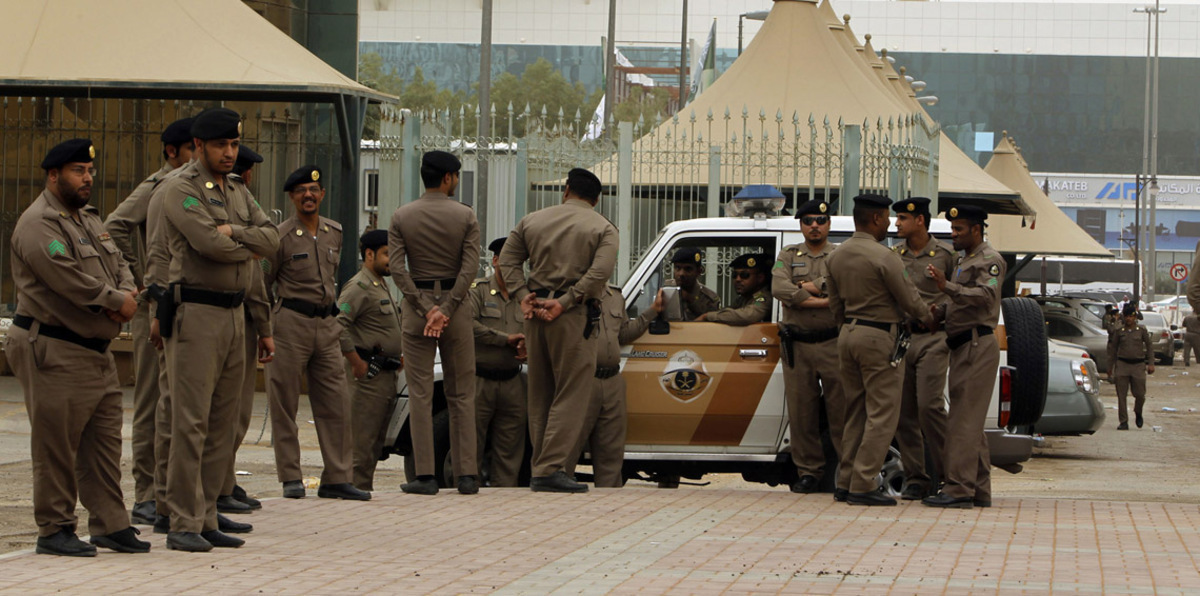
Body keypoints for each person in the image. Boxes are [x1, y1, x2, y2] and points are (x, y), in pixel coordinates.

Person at [7, 138, 149, 556]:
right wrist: (114, 301)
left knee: (103, 444)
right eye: (77, 171)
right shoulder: (38, 224)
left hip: (94, 350)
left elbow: (118, 262)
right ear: (53, 175)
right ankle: (54, 529)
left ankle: (109, 524)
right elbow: (65, 277)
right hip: (53, 346)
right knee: (57, 445)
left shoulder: (87, 218)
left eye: (89, 170)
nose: (87, 178)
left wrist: (127, 293)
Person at [158, 107, 279, 551]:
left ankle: (207, 514)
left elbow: (274, 241)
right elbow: (210, 244)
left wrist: (237, 233)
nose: (230, 153)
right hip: (197, 313)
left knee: (221, 423)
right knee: (190, 422)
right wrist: (246, 242)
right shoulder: (180, 189)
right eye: (221, 146)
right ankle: (183, 522)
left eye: (233, 145)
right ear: (201, 146)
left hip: (234, 314)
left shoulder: (236, 190)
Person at [498, 167, 618, 493]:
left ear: (566, 191)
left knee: (540, 396)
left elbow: (507, 262)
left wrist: (523, 297)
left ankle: (544, 468)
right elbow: (599, 274)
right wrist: (565, 302)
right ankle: (551, 470)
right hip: (572, 316)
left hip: (535, 312)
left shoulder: (531, 220)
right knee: (571, 394)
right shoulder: (603, 228)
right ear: (596, 199)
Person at [102, 116, 194, 526]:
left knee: (178, 403)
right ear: (173, 152)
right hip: (152, 306)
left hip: (185, 304)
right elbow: (115, 225)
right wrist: (138, 275)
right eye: (190, 149)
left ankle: (173, 492)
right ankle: (145, 492)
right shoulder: (157, 186)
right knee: (150, 401)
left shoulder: (197, 189)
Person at [265, 165, 368, 502]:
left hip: (326, 325)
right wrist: (264, 329)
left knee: (336, 403)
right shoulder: (279, 237)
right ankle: (290, 477)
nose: (308, 196)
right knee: (285, 403)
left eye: (314, 190)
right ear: (292, 197)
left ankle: (337, 477)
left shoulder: (334, 232)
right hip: (290, 323)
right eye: (301, 191)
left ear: (322, 194)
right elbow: (263, 284)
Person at [826, 194, 931, 507]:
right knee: (883, 414)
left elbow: (834, 304)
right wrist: (928, 318)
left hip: (847, 335)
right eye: (887, 218)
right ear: (874, 219)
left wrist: (847, 326)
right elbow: (910, 300)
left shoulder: (837, 255)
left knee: (855, 412)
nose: (890, 223)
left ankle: (844, 481)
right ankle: (863, 482)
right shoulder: (885, 257)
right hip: (879, 336)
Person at [389, 151, 481, 495]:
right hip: (455, 310)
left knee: (420, 393)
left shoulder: (402, 216)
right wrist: (446, 307)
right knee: (461, 394)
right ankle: (467, 474)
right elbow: (470, 268)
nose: (456, 181)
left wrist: (426, 308)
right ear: (446, 178)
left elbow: (398, 269)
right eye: (455, 176)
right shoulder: (465, 215)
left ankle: (424, 475)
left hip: (417, 310)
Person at [922, 205, 1006, 509]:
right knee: (969, 421)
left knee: (962, 422)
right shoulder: (963, 260)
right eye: (952, 229)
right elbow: (957, 302)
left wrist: (948, 287)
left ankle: (958, 489)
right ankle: (979, 490)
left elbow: (986, 296)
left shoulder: (990, 260)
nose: (953, 234)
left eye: (959, 229)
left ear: (976, 229)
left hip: (976, 345)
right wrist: (937, 313)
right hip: (961, 345)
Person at [772, 200, 844, 494]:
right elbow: (778, 288)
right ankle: (809, 472)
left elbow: (844, 283)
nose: (815, 225)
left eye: (821, 220)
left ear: (829, 224)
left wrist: (804, 288)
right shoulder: (787, 255)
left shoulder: (840, 255)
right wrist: (824, 299)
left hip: (833, 343)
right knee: (802, 414)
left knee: (842, 412)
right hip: (798, 345)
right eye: (808, 220)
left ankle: (848, 472)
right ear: (800, 225)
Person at [890, 197, 957, 501]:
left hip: (933, 337)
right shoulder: (894, 256)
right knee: (903, 412)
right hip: (903, 339)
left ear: (920, 221)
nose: (897, 223)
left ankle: (948, 475)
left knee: (930, 406)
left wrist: (940, 312)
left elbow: (958, 293)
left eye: (902, 218)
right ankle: (917, 477)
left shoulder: (945, 255)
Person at [565, 286, 662, 487]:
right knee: (567, 448)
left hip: (612, 380)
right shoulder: (570, 295)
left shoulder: (616, 297)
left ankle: (609, 508)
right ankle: (557, 504)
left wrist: (653, 310)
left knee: (611, 455)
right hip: (583, 380)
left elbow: (623, 334)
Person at [218, 144, 270, 513]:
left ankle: (223, 483)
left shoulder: (239, 197)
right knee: (210, 415)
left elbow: (268, 245)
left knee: (235, 413)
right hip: (208, 312)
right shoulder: (176, 190)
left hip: (243, 314)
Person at [337, 229, 404, 491]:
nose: (392, 260)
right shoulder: (358, 286)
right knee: (359, 446)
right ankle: (348, 494)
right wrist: (355, 361)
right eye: (387, 254)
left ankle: (363, 491)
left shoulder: (381, 283)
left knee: (374, 446)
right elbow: (338, 324)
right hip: (367, 378)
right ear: (369, 254)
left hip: (385, 376)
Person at [468, 237, 528, 487]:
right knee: (472, 442)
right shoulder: (479, 290)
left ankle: (505, 495)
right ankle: (469, 489)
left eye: (519, 264)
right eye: (509, 262)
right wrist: (505, 339)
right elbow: (469, 325)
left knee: (510, 447)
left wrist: (529, 345)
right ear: (495, 261)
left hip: (512, 381)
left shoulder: (523, 296)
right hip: (480, 380)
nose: (515, 268)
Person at [1108, 304, 1154, 430]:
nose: (1129, 319)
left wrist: (1151, 363)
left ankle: (1138, 412)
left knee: (1140, 395)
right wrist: (1110, 367)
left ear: (1135, 317)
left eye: (1131, 316)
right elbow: (1113, 349)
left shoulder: (1141, 330)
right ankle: (1123, 421)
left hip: (1138, 365)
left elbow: (1149, 347)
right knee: (1121, 395)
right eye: (1126, 316)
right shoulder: (1119, 331)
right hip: (1122, 365)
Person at [695, 253, 771, 324]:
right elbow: (726, 313)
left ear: (760, 278)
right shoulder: (744, 298)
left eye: (744, 275)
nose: (738, 279)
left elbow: (747, 315)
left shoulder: (763, 298)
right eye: (734, 275)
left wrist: (707, 316)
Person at [664, 247, 719, 321]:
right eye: (677, 268)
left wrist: (691, 300)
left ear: (699, 271)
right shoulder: (665, 290)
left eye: (688, 269)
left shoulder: (709, 299)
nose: (681, 273)